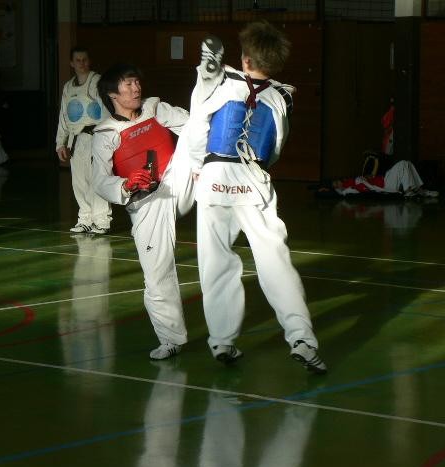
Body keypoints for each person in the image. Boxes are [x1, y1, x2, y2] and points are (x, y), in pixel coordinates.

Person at [186, 22, 326, 372]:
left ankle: (221, 341)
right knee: (274, 260)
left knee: (216, 262)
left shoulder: (220, 82)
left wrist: (196, 164)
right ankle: (301, 338)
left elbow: (196, 124)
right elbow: (276, 147)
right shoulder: (281, 98)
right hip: (254, 182)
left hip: (215, 179)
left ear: (245, 58)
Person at [91, 63, 195, 360]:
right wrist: (125, 185)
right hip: (147, 202)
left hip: (177, 179)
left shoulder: (154, 108)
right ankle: (171, 339)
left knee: (197, 128)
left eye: (137, 82)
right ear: (112, 94)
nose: (136, 89)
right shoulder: (104, 133)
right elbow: (99, 181)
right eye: (128, 85)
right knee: (157, 272)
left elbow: (194, 126)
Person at [56, 47, 112, 234]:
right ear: (71, 63)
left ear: (89, 61)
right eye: (77, 60)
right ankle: (85, 218)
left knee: (97, 179)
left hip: (95, 137)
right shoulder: (68, 87)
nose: (81, 63)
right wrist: (60, 143)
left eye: (84, 59)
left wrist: (108, 137)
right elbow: (64, 117)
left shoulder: (96, 81)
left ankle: (102, 220)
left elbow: (107, 110)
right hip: (75, 139)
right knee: (79, 182)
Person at [332, 159, 438, 197]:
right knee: (403, 164)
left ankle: (420, 190)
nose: (338, 184)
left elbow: (368, 178)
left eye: (337, 182)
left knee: (408, 163)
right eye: (336, 185)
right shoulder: (348, 189)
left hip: (384, 178)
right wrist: (339, 190)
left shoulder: (350, 181)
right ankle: (409, 191)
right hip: (386, 184)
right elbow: (345, 192)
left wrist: (367, 178)